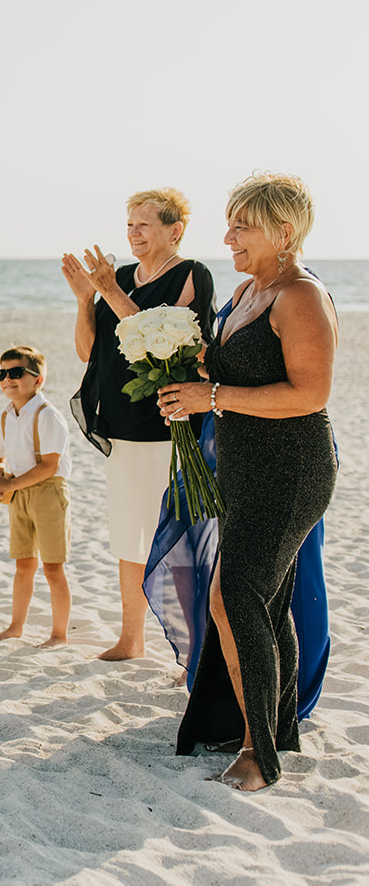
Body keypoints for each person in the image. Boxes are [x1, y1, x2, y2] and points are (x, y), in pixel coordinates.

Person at [155, 173, 336, 792]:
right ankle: (275, 728)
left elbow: (311, 393)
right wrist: (189, 382)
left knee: (236, 599)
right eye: (228, 223)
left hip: (290, 473)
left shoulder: (300, 297)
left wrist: (214, 394)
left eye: (242, 225)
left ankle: (261, 755)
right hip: (243, 468)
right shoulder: (247, 291)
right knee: (261, 602)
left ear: (284, 233)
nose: (227, 236)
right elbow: (234, 373)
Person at [61, 188, 215, 661]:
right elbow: (89, 351)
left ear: (175, 230)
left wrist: (109, 291)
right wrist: (87, 299)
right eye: (129, 225)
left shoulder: (192, 275)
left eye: (143, 224)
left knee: (177, 537)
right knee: (129, 535)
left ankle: (193, 650)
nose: (133, 234)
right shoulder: (121, 276)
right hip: (122, 427)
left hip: (170, 426)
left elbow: (160, 343)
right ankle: (132, 639)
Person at [0, 346, 73, 648]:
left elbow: (50, 465)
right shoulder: (4, 417)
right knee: (23, 564)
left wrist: (9, 485)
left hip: (47, 491)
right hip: (17, 493)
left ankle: (59, 634)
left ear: (38, 379)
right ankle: (16, 626)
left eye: (17, 373)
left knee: (53, 567)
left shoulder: (47, 416)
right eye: (1, 374)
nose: (8, 379)